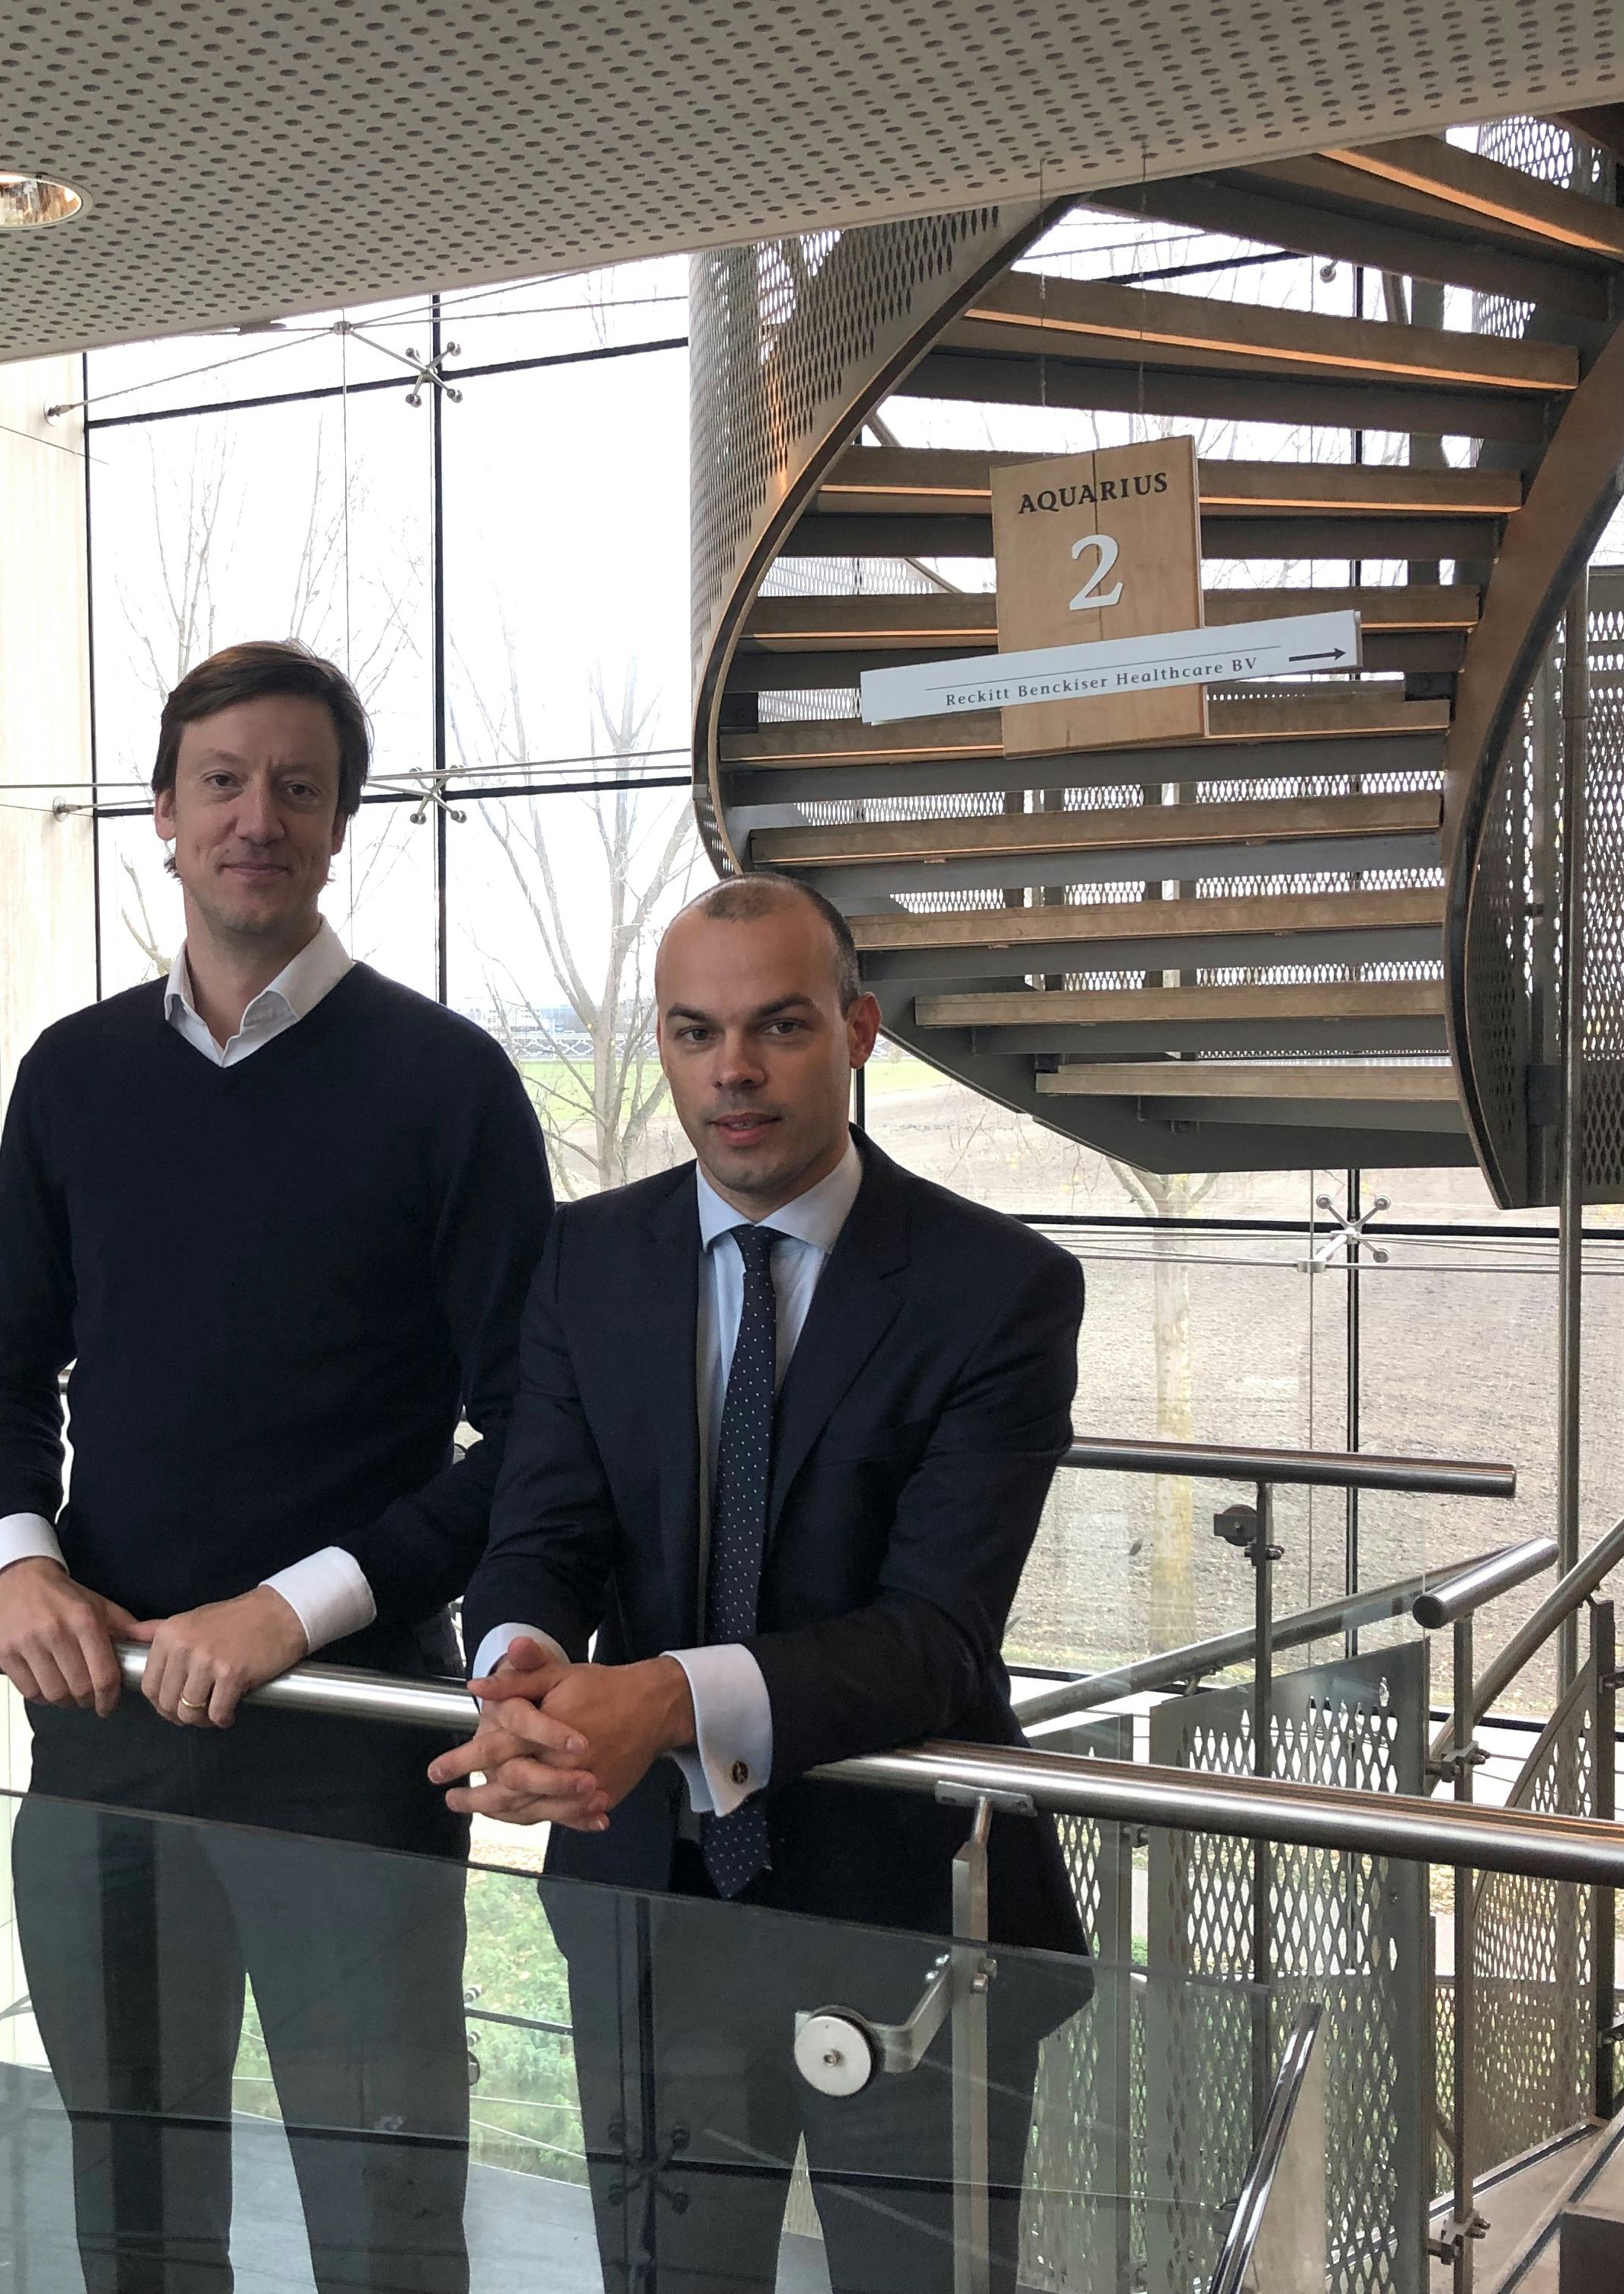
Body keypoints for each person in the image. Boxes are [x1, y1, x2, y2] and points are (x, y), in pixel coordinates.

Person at [0, 639, 554, 2294]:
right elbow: (2, 1372)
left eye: (299, 787)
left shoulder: (448, 1085)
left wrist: (296, 1610)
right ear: (162, 811)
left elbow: (536, 1436)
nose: (257, 817)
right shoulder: (72, 1077)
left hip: (350, 1745)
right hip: (103, 1729)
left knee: (384, 2222)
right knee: (133, 2208)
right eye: (221, 781)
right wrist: (18, 1560)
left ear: (341, 823)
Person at [428, 872, 1088, 2294]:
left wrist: (665, 1701)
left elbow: (938, 1636)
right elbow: (543, 1528)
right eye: (694, 1032)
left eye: (779, 1026)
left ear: (857, 1031)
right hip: (648, 1906)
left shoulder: (1000, 1288)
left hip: (911, 1920)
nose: (732, 1070)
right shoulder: (588, 1257)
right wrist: (520, 1672)